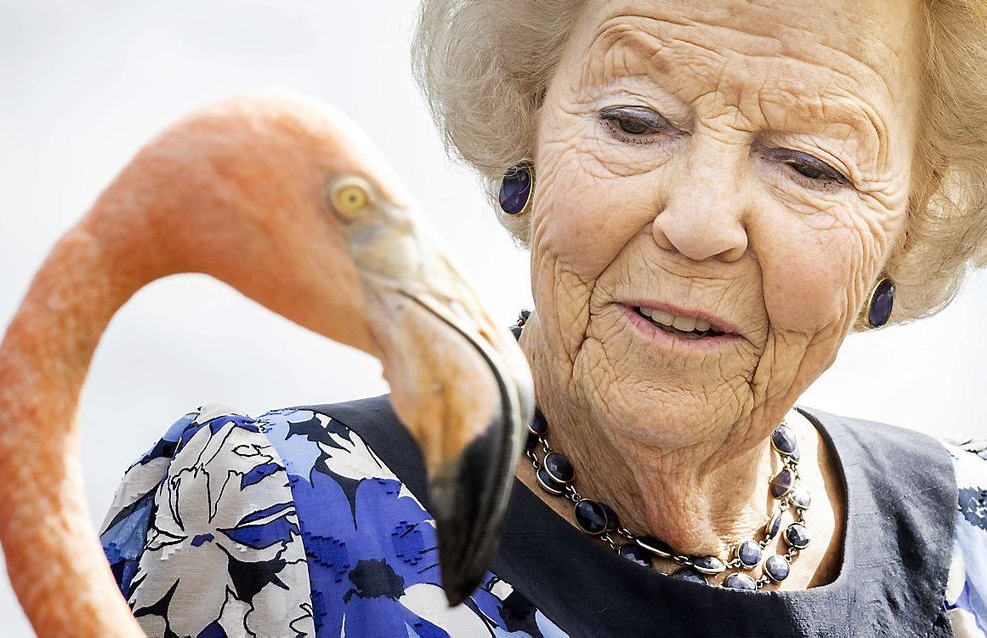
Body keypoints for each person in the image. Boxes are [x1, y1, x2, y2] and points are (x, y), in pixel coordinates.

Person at [99, 0, 987, 635]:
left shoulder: (971, 549)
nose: (700, 223)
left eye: (810, 165)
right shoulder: (263, 515)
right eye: (636, 121)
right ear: (529, 130)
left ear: (910, 228)